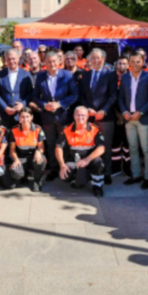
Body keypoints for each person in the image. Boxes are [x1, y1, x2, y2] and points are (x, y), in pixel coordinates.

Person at [33, 50, 79, 181]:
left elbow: (75, 95)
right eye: (49, 62)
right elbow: (35, 96)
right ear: (45, 63)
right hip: (47, 117)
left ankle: (67, 168)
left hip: (63, 115)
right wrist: (44, 105)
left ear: (59, 62)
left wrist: (60, 104)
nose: (52, 64)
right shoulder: (40, 76)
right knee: (51, 143)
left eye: (54, 61)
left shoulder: (67, 75)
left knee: (65, 143)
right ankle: (54, 169)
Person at [80, 48, 118, 184]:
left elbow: (113, 95)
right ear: (89, 60)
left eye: (98, 58)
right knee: (90, 145)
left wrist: (104, 111)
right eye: (93, 58)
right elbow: (82, 95)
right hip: (89, 117)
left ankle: (106, 172)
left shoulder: (111, 74)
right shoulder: (85, 75)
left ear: (104, 59)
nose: (96, 60)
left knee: (105, 145)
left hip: (105, 117)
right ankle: (91, 172)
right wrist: (87, 109)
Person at [118, 52, 148, 189]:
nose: (135, 64)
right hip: (129, 119)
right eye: (132, 62)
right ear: (129, 63)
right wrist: (124, 111)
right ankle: (136, 175)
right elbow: (120, 97)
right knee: (132, 148)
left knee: (146, 149)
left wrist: (141, 112)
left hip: (143, 118)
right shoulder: (125, 77)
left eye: (138, 62)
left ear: (143, 62)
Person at [57, 106, 107, 197]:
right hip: (74, 161)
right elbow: (58, 147)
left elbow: (102, 148)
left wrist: (87, 159)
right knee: (66, 176)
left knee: (98, 161)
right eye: (78, 115)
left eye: (83, 115)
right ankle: (78, 178)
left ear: (87, 116)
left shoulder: (94, 129)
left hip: (90, 161)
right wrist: (62, 165)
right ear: (74, 116)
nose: (80, 117)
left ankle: (97, 186)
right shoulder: (67, 129)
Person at [8, 108, 47, 192]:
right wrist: (16, 159)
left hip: (34, 157)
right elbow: (12, 149)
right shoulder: (14, 130)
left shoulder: (38, 129)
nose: (25, 119)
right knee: (15, 171)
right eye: (22, 117)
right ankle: (23, 176)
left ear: (31, 117)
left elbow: (42, 147)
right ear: (19, 118)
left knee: (41, 160)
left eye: (27, 116)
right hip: (21, 158)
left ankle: (37, 181)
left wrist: (38, 152)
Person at [0, 48, 32, 128]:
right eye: (9, 59)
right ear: (5, 60)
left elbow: (31, 93)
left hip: (21, 115)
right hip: (4, 114)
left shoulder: (26, 74)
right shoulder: (1, 74)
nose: (11, 61)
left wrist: (23, 104)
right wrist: (5, 107)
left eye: (13, 59)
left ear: (18, 58)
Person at [111, 55, 131, 176]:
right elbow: (111, 97)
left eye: (124, 63)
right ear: (116, 65)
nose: (122, 66)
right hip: (115, 115)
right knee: (115, 143)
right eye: (120, 63)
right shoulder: (112, 77)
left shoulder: (131, 78)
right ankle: (116, 168)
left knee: (128, 143)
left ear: (128, 65)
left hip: (128, 115)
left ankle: (128, 168)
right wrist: (118, 115)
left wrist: (124, 115)